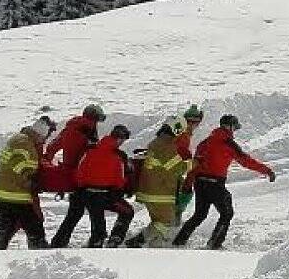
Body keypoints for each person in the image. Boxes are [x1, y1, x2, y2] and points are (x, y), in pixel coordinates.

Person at [173, 114, 275, 250]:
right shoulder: (228, 143)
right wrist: (267, 171)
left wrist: (188, 184)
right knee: (227, 213)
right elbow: (246, 161)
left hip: (199, 183)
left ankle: (178, 242)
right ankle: (214, 245)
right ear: (230, 127)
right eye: (234, 128)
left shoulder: (204, 143)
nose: (234, 131)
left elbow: (194, 165)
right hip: (215, 184)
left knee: (199, 215)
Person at [0, 116, 57, 250]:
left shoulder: (23, 139)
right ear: (42, 133)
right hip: (14, 192)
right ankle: (38, 247)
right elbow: (17, 162)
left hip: (5, 190)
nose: (46, 139)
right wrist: (30, 180)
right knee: (33, 222)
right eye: (47, 135)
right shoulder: (24, 142)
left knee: (8, 223)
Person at [125, 118, 189, 248]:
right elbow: (178, 168)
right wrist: (194, 163)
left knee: (159, 221)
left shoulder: (157, 142)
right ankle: (139, 242)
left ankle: (153, 245)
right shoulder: (166, 145)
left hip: (150, 189)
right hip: (159, 192)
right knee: (166, 221)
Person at [72, 124, 136, 248]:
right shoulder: (119, 155)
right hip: (107, 195)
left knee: (97, 218)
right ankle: (115, 238)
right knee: (127, 211)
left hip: (87, 194)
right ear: (120, 139)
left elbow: (79, 172)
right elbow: (120, 179)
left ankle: (97, 240)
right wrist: (121, 191)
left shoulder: (90, 150)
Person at [43, 104, 104, 196]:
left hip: (69, 173)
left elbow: (53, 146)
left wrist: (47, 160)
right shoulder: (89, 132)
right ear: (94, 118)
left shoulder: (70, 128)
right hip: (83, 176)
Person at [174, 104, 204, 220]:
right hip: (171, 171)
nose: (192, 125)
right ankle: (174, 219)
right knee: (185, 191)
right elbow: (179, 150)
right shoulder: (183, 133)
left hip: (170, 170)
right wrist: (191, 159)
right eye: (190, 122)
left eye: (194, 122)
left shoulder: (178, 128)